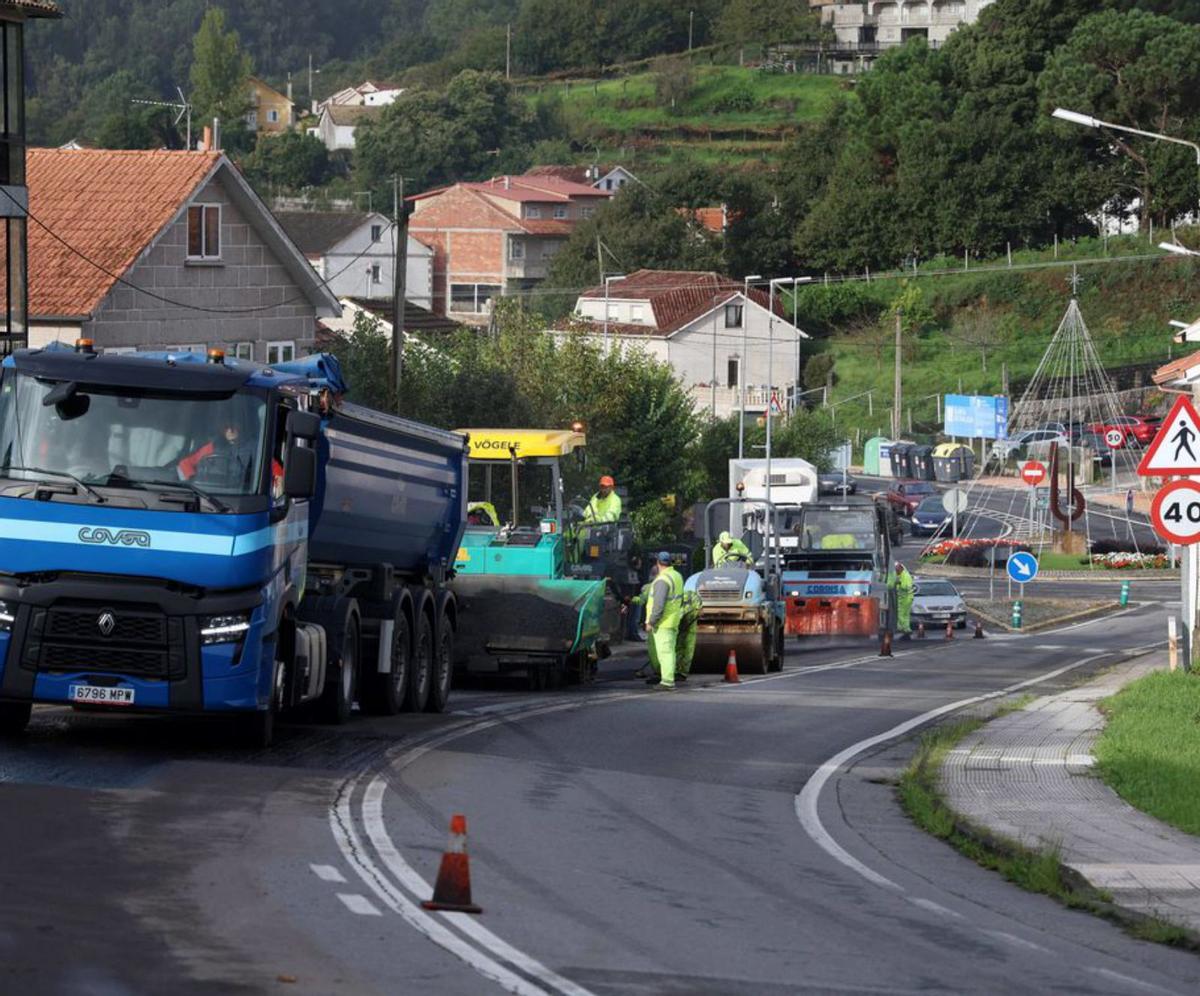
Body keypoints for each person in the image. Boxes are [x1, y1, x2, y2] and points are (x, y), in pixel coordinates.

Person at [178, 419, 271, 492]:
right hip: (215, 493)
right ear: (221, 429)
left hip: (243, 493)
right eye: (226, 427)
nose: (230, 430)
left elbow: (273, 466)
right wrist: (193, 480)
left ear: (242, 426)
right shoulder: (213, 446)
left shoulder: (254, 447)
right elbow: (185, 463)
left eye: (233, 426)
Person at [643, 551, 684, 691]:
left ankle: (667, 681)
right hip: (672, 620)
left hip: (663, 622)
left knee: (665, 652)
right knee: (669, 651)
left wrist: (651, 622)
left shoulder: (662, 580)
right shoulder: (677, 576)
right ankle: (667, 678)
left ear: (657, 563)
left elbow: (659, 605)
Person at [674, 587, 701, 683]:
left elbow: (699, 609)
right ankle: (675, 670)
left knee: (687, 648)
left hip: (690, 624)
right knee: (678, 648)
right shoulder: (674, 601)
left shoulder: (689, 598)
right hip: (681, 624)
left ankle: (682, 673)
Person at [888, 561, 915, 638]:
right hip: (904, 597)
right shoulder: (897, 575)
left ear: (900, 568)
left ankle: (903, 628)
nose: (896, 571)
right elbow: (889, 584)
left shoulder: (906, 576)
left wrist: (899, 584)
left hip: (906, 598)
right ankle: (906, 628)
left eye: (897, 569)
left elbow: (907, 587)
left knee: (901, 614)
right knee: (905, 615)